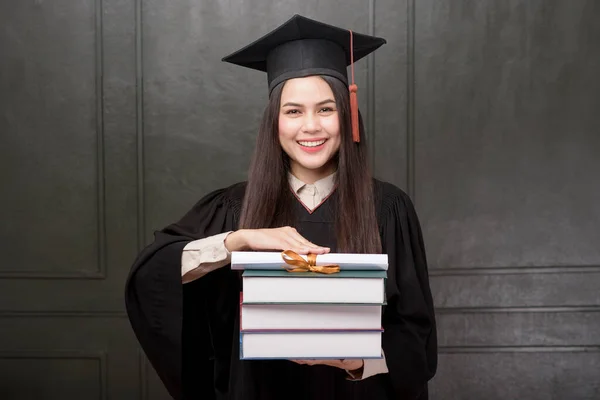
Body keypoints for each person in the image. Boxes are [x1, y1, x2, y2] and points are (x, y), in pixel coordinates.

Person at [125, 14, 437, 400]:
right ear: (274, 121)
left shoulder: (388, 208)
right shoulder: (232, 209)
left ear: (347, 114)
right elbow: (155, 277)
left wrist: (358, 363)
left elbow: (416, 335)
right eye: (293, 111)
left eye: (326, 109)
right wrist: (238, 241)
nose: (311, 127)